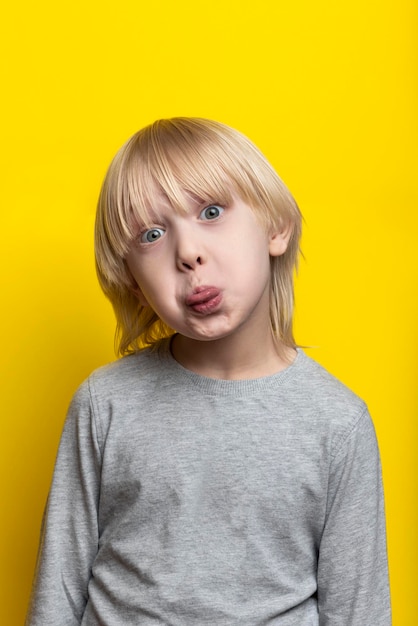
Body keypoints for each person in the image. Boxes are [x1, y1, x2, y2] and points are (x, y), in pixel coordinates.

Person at [26, 118, 391, 625]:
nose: (188, 252)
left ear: (275, 227)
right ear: (134, 283)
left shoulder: (338, 423)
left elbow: (360, 610)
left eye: (212, 211)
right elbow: (58, 589)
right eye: (152, 235)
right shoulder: (105, 402)